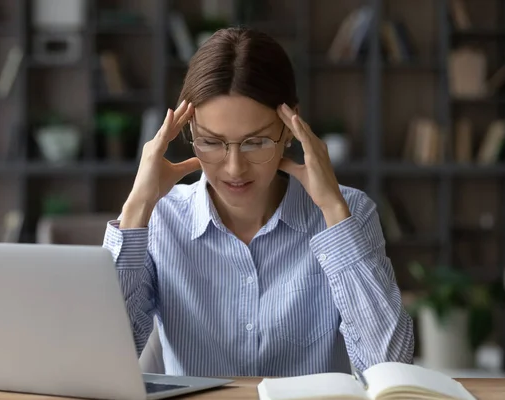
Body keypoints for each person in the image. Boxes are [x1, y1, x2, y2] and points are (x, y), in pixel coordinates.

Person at [103, 26, 414, 377]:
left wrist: (332, 210)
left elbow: (391, 367)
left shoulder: (350, 213)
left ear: (289, 129)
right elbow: (101, 362)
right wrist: (137, 207)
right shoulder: (161, 219)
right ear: (187, 130)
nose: (234, 168)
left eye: (255, 142)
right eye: (211, 142)